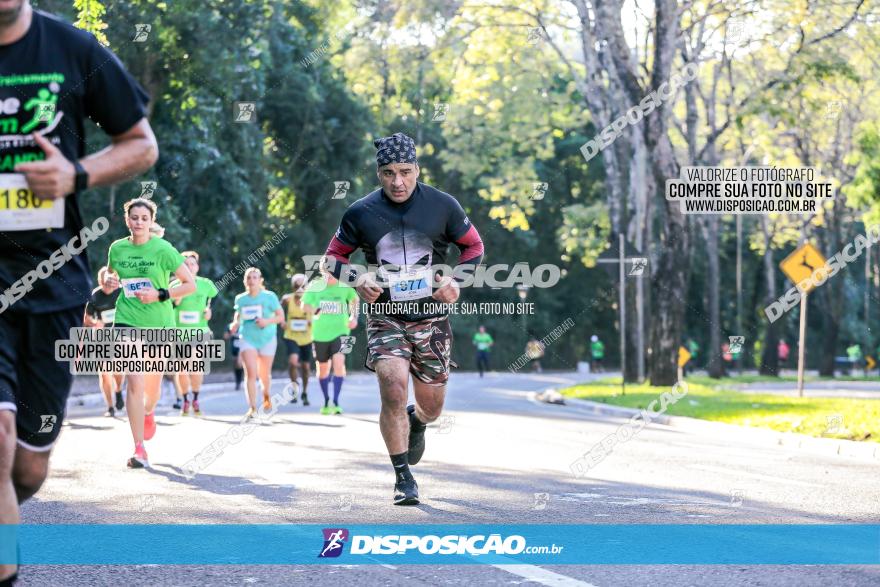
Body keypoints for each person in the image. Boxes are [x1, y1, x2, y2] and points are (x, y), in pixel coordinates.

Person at [0, 2, 158, 583]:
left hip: (52, 284)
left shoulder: (72, 49)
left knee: (27, 470)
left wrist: (77, 175)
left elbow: (141, 145)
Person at [322, 132, 484, 505]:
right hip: (385, 315)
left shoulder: (442, 206)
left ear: (417, 170)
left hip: (431, 318)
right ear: (379, 173)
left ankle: (418, 420)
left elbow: (473, 246)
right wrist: (356, 278)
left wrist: (456, 281)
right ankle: (402, 477)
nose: (398, 181)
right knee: (393, 386)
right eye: (390, 173)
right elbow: (332, 259)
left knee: (432, 407)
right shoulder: (361, 212)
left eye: (406, 172)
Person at [107, 198, 195, 468]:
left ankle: (149, 410)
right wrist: (108, 283)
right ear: (127, 220)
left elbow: (188, 284)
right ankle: (139, 449)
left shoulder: (163, 249)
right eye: (134, 217)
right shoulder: (117, 249)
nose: (139, 222)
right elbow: (110, 278)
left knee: (152, 390)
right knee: (135, 383)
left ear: (151, 221)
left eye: (144, 218)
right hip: (126, 320)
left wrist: (160, 294)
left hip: (159, 323)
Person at [302, 264, 359, 415]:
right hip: (320, 333)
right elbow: (304, 305)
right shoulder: (315, 285)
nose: (330, 274)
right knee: (322, 369)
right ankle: (326, 401)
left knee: (339, 363)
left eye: (333, 271)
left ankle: (336, 401)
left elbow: (354, 300)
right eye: (327, 271)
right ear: (322, 271)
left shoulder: (344, 285)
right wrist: (314, 309)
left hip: (342, 331)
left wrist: (354, 317)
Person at [230, 267, 283, 421]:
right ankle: (252, 408)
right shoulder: (241, 299)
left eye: (255, 277)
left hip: (267, 338)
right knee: (251, 373)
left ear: (260, 281)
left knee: (264, 374)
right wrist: (235, 324)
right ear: (245, 281)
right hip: (247, 337)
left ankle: (266, 394)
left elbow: (280, 316)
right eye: (249, 277)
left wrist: (267, 321)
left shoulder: (269, 297)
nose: (252, 280)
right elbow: (238, 315)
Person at [171, 251, 217, 416]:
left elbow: (213, 298)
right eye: (186, 264)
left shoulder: (206, 284)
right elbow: (166, 308)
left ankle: (196, 398)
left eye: (192, 264)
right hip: (179, 333)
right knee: (182, 369)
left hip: (200, 332)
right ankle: (185, 400)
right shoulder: (174, 286)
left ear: (197, 267)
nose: (189, 267)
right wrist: (176, 302)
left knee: (196, 364)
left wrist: (209, 310)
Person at [83, 266, 125, 417]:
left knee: (118, 371)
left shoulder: (121, 292)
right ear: (100, 281)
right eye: (105, 282)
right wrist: (95, 323)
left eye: (111, 281)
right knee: (105, 374)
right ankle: (110, 407)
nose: (108, 285)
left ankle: (118, 390)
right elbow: (87, 320)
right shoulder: (95, 296)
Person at [280, 274, 313, 406]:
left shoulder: (311, 299)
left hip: (307, 337)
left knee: (305, 367)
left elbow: (320, 312)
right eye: (296, 285)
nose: (300, 288)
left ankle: (304, 392)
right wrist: (282, 321)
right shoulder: (287, 299)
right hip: (291, 336)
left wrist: (313, 320)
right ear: (293, 287)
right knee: (293, 362)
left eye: (302, 286)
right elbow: (277, 310)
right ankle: (294, 388)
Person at [223, 322, 244, 390]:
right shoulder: (230, 326)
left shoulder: (245, 325)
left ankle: (244, 380)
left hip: (244, 348)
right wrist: (231, 334)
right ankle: (238, 382)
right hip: (234, 349)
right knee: (237, 365)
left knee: (240, 363)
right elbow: (225, 336)